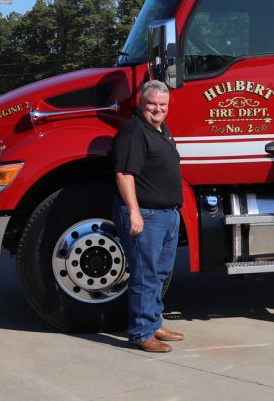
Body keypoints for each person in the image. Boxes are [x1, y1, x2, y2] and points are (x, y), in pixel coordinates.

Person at [112, 80, 185, 352]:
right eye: (152, 103)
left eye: (162, 105)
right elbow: (124, 174)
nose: (157, 109)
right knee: (144, 275)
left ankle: (154, 323)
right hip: (146, 215)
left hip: (166, 216)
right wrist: (134, 212)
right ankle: (141, 333)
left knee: (158, 274)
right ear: (140, 103)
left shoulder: (160, 129)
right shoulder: (133, 132)